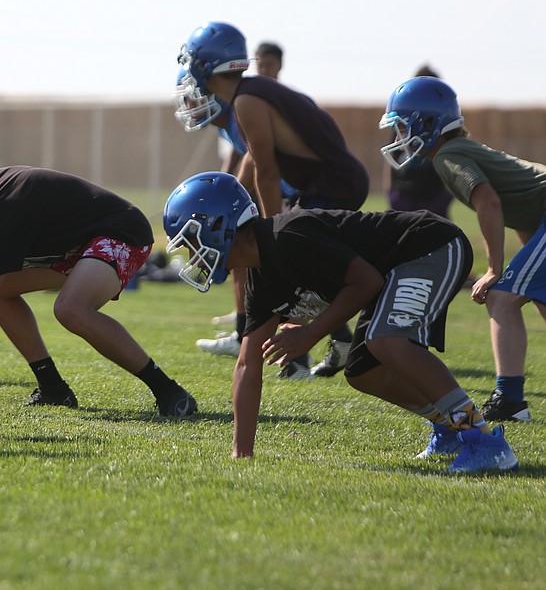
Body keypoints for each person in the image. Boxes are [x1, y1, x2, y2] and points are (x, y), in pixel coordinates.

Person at [163, 171, 517, 472]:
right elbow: (246, 364)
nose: (192, 255)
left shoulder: (287, 235)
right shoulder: (259, 277)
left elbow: (366, 282)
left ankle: (483, 439)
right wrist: (242, 453)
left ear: (217, 225)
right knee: (363, 372)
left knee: (386, 341)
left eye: (191, 241)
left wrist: (312, 334)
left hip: (430, 245)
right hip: (393, 268)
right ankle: (450, 426)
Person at [0, 145, 197, 417]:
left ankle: (167, 390)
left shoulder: (2, 208)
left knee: (71, 309)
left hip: (122, 233)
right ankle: (52, 386)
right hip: (79, 243)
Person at [176, 21, 369, 378]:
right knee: (300, 271)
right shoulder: (250, 94)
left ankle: (306, 356)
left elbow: (267, 170)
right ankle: (339, 339)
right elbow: (252, 161)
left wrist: (271, 230)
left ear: (204, 63)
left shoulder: (247, 101)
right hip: (327, 183)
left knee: (286, 267)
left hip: (331, 186)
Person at [380, 75, 546, 423]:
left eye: (401, 126)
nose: (398, 137)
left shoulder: (448, 156)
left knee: (500, 296)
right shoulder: (460, 150)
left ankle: (510, 401)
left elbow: (489, 203)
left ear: (426, 123)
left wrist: (495, 270)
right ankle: (511, 400)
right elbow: (522, 206)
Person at [383, 66, 453, 218]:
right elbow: (392, 158)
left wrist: (446, 195)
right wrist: (391, 191)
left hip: (433, 192)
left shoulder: (443, 123)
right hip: (407, 192)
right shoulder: (402, 121)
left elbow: (453, 159)